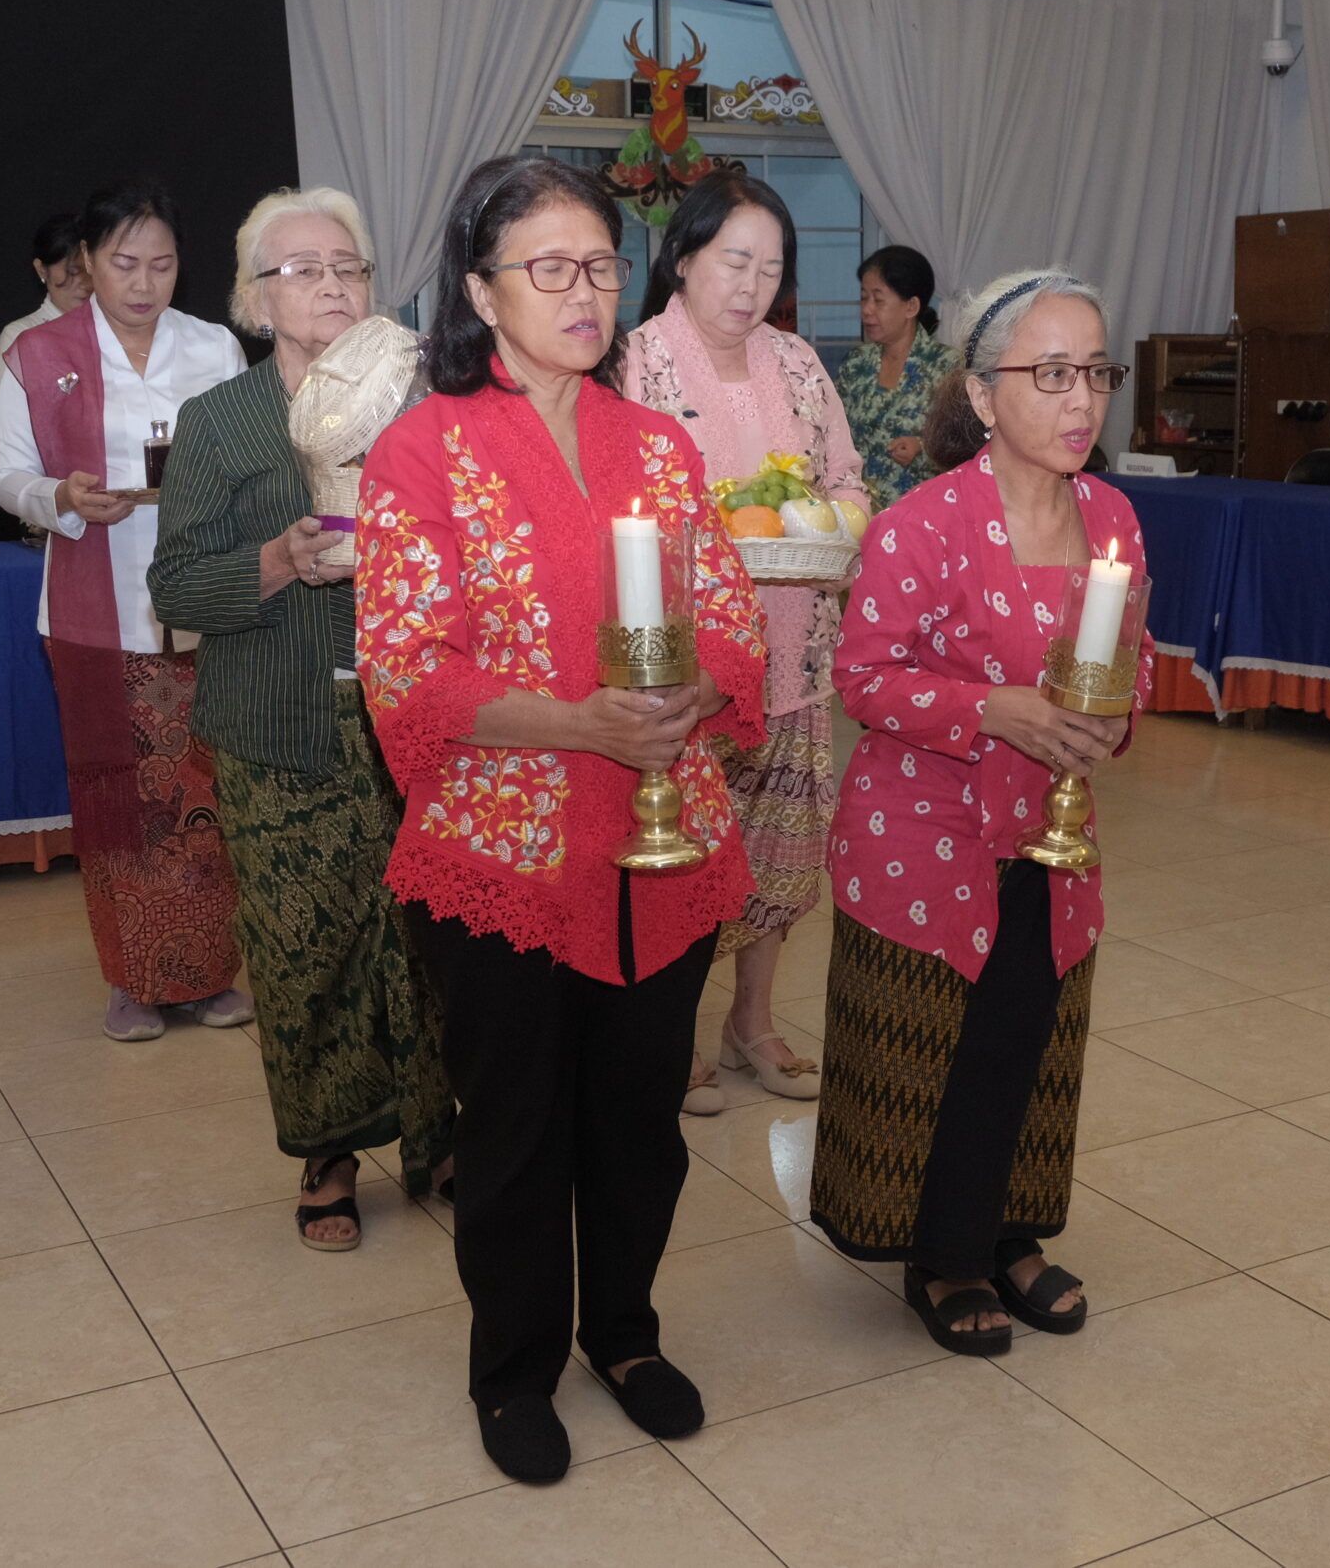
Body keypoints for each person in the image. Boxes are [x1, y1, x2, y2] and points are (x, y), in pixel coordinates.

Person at [356, 155, 767, 1485]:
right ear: (482, 292)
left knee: (641, 1119)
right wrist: (583, 723)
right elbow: (409, 670)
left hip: (664, 836)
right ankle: (515, 1365)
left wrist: (701, 687)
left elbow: (729, 616)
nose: (584, 291)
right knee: (518, 1128)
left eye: (599, 264)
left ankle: (625, 1334)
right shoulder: (424, 448)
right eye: (550, 268)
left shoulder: (658, 444)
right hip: (508, 847)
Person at [808, 269, 1153, 1358]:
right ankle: (942, 1252)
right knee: (936, 1043)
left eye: (1095, 372)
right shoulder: (923, 524)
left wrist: (1111, 719)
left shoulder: (1112, 516)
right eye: (1049, 374)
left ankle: (1009, 1232)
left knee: (1029, 1029)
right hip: (927, 828)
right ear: (982, 394)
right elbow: (863, 679)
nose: (1080, 399)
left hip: (1052, 827)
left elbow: (1133, 660)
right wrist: (994, 708)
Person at [149, 187, 450, 1252]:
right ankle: (327, 1153)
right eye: (304, 270)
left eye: (348, 267)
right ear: (255, 297)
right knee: (301, 948)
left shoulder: (425, 408)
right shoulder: (220, 421)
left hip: (418, 718)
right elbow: (176, 586)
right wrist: (278, 560)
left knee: (428, 939)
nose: (331, 286)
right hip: (275, 726)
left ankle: (438, 1136)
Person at [623, 170, 867, 1115]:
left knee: (782, 852)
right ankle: (675, 1034)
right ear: (684, 259)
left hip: (794, 650)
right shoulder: (635, 364)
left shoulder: (799, 363)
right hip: (685, 665)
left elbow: (845, 479)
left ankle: (751, 1022)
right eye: (734, 261)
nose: (751, 285)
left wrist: (838, 521)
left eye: (770, 268)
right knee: (684, 855)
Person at [0, 177, 251, 1043]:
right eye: (124, 263)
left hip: (206, 602)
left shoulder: (213, 347)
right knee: (118, 793)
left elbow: (252, 461)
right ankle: (132, 978)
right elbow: (6, 475)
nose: (144, 283)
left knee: (204, 792)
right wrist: (60, 496)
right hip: (96, 607)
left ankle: (210, 973)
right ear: (87, 262)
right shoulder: (35, 352)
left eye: (162, 264)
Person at [834, 246, 952, 510]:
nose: (866, 310)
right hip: (858, 512)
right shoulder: (855, 364)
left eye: (878, 300)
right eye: (863, 298)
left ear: (911, 306)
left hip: (923, 512)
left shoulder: (947, 367)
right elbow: (831, 433)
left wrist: (923, 448)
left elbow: (969, 446)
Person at [0, 211, 92, 389]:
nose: (85, 283)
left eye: (91, 271)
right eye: (72, 272)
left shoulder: (118, 328)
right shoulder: (20, 336)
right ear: (42, 270)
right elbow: (9, 407)